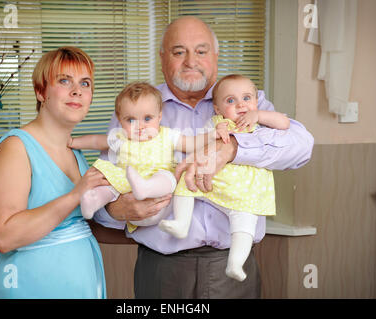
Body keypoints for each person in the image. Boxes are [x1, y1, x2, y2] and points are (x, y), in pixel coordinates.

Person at [94, 16, 314, 298]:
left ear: (216, 55)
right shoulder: (136, 108)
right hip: (162, 269)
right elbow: (104, 184)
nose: (190, 61)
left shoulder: (244, 100)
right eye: (178, 52)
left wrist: (232, 149)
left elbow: (301, 146)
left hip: (233, 265)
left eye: (201, 51)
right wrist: (115, 211)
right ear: (162, 57)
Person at [0, 47, 125, 298]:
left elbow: (79, 224)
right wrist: (75, 195)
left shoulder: (74, 151)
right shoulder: (16, 148)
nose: (77, 90)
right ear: (40, 91)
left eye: (85, 83)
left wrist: (145, 236)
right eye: (64, 80)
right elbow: (3, 236)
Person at [159, 74, 289, 282]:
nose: (241, 105)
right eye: (231, 101)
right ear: (218, 109)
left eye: (247, 98)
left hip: (246, 189)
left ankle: (236, 263)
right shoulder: (218, 123)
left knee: (246, 220)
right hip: (214, 182)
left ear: (256, 102)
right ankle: (181, 222)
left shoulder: (260, 123)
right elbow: (201, 143)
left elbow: (284, 123)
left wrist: (259, 115)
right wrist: (216, 131)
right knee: (185, 179)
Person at [69, 81, 229, 231]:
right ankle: (93, 200)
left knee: (169, 177)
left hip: (157, 194)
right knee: (110, 183)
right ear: (120, 120)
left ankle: (146, 187)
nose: (140, 126)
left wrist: (212, 135)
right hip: (129, 188)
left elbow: (192, 143)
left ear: (159, 116)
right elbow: (96, 141)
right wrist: (73, 142)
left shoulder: (167, 135)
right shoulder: (120, 137)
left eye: (147, 118)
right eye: (131, 120)